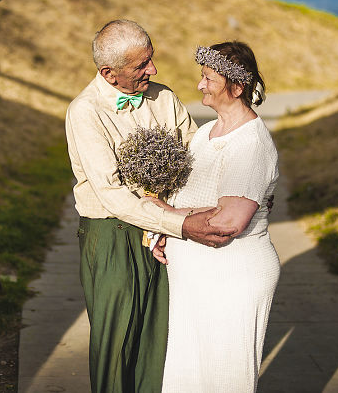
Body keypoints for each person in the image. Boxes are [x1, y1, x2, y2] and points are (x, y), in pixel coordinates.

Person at [65, 20, 236, 393]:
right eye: (141, 65)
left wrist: (236, 187)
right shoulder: (85, 112)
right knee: (117, 345)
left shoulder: (164, 98)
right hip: (112, 238)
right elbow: (112, 195)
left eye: (151, 59)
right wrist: (181, 225)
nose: (153, 70)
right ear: (109, 74)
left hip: (167, 234)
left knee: (161, 340)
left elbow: (198, 157)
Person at [147, 41, 280, 393]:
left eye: (209, 78)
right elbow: (190, 198)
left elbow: (228, 222)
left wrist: (166, 215)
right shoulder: (206, 133)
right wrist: (165, 232)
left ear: (236, 87)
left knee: (224, 378)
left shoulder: (250, 144)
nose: (200, 85)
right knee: (187, 377)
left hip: (232, 277)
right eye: (202, 76)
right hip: (193, 280)